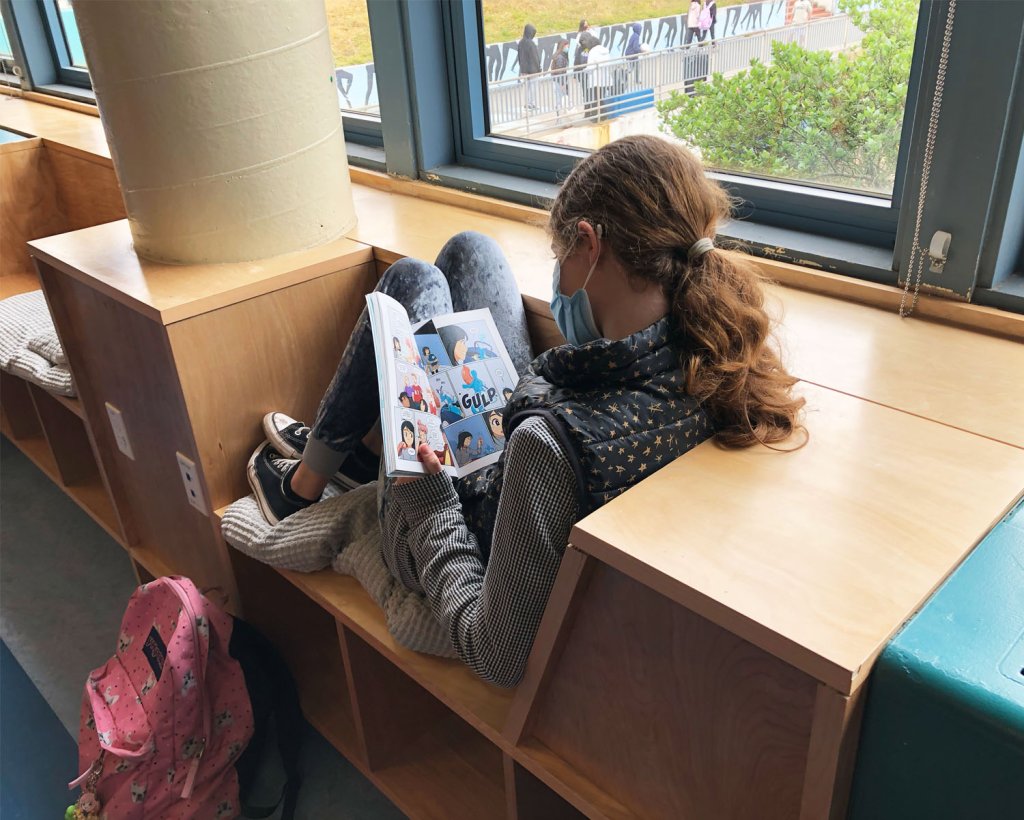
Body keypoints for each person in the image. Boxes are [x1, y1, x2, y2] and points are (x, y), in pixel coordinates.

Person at [248, 135, 806, 687]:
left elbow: (497, 655)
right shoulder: (713, 354)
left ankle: (302, 484)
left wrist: (431, 503)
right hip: (518, 461)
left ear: (589, 245)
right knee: (472, 250)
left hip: (454, 514)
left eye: (563, 257)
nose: (561, 277)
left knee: (409, 283)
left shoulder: (551, 445)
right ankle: (351, 457)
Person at [517, 23, 542, 111]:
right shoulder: (531, 44)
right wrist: (539, 69)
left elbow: (519, 57)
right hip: (533, 70)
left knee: (527, 87)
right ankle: (532, 103)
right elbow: (535, 58)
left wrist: (522, 68)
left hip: (524, 70)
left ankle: (527, 103)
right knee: (533, 87)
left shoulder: (520, 43)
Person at [549, 37, 570, 119]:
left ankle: (561, 117)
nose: (568, 48)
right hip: (560, 81)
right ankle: (561, 118)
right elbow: (560, 71)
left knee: (561, 99)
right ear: (563, 46)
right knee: (561, 100)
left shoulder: (560, 55)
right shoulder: (560, 57)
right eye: (567, 46)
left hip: (558, 81)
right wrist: (562, 83)